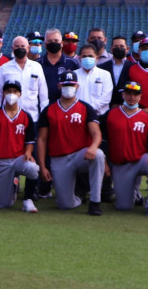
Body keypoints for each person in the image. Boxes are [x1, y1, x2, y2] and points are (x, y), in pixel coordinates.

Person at [36, 71, 105, 214]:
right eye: (65, 85)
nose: (69, 88)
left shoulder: (86, 108)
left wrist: (93, 147)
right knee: (65, 204)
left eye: (72, 85)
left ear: (77, 86)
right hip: (59, 158)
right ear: (59, 86)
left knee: (98, 155)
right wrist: (42, 166)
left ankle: (95, 201)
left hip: (81, 155)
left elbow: (96, 133)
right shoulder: (49, 110)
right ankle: (78, 197)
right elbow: (42, 140)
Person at [99, 82, 148, 215]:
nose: (132, 97)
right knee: (123, 207)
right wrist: (104, 162)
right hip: (121, 164)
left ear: (140, 96)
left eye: (135, 94)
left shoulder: (146, 117)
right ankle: (135, 194)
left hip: (141, 159)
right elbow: (101, 141)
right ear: (123, 94)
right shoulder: (111, 114)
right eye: (129, 93)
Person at [0, 79, 41, 211]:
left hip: (19, 158)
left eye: (15, 91)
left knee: (33, 168)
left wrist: (28, 152)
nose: (12, 94)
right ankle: (14, 184)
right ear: (4, 93)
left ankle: (28, 199)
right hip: (1, 160)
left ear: (20, 94)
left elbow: (30, 141)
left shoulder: (26, 116)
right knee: (4, 204)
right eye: (9, 91)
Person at [0, 35, 48, 122]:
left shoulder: (37, 67)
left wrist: (43, 117)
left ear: (28, 48)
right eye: (17, 46)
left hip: (32, 117)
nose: (20, 48)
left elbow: (43, 95)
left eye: (22, 46)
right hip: (9, 118)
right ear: (12, 48)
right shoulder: (4, 68)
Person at [74, 43, 113, 115]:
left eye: (90, 56)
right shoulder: (74, 75)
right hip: (77, 114)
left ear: (97, 58)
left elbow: (106, 98)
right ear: (80, 58)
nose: (87, 58)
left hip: (99, 115)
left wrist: (88, 109)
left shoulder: (105, 74)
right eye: (84, 56)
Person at [97, 35, 135, 107]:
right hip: (106, 107)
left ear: (127, 49)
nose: (119, 48)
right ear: (111, 49)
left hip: (127, 107)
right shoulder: (101, 68)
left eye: (121, 46)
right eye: (116, 46)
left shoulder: (133, 67)